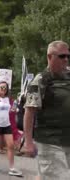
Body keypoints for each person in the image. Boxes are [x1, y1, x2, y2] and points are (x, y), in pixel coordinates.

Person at [23, 40, 70, 180]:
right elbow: (29, 112)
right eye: (62, 56)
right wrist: (28, 142)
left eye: (68, 56)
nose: (66, 60)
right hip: (50, 141)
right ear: (50, 57)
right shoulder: (40, 80)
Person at [0, 81, 22, 176]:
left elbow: (8, 111)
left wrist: (13, 110)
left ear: (7, 89)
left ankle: (11, 168)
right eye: (1, 87)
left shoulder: (7, 99)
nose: (3, 89)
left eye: (5, 88)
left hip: (6, 125)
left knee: (10, 145)